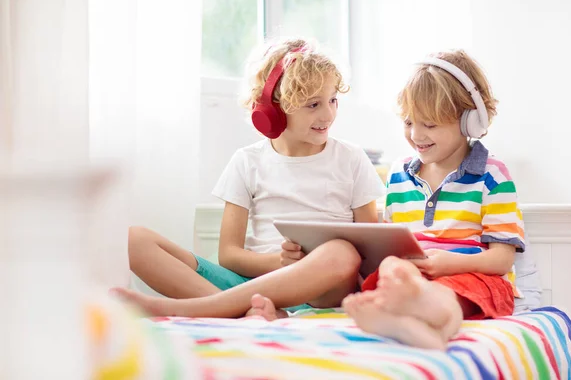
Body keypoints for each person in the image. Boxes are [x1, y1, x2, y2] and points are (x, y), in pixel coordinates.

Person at [113, 38, 385, 318]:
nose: (328, 114)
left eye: (332, 100)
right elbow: (229, 255)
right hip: (252, 285)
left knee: (343, 253)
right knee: (132, 240)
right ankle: (249, 312)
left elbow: (369, 253)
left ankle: (207, 309)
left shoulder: (351, 158)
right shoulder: (247, 161)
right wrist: (277, 263)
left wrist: (306, 266)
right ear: (273, 110)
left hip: (321, 292)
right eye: (313, 104)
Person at [343, 50, 525, 350]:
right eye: (408, 122)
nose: (416, 135)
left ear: (469, 122)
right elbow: (391, 242)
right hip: (417, 278)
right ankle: (400, 315)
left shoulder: (492, 175)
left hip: (475, 276)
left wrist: (449, 265)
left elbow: (502, 258)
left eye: (430, 125)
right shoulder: (399, 173)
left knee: (446, 294)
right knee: (389, 264)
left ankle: (436, 329)